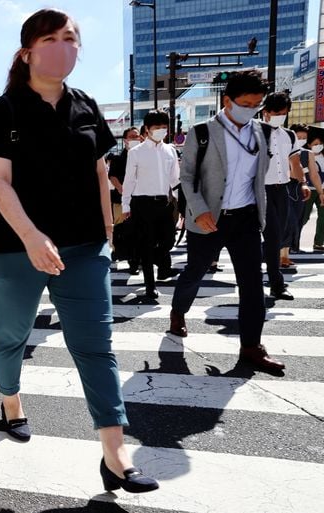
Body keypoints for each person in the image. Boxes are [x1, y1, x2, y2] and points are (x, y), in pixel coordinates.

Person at [0, 9, 158, 493]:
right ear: (28, 51)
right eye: (53, 38)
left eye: (71, 38)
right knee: (12, 335)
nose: (65, 46)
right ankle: (10, 401)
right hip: (17, 249)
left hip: (84, 247)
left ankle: (115, 453)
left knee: (95, 347)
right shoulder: (7, 109)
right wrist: (32, 236)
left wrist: (107, 232)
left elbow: (101, 174)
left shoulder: (87, 105)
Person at [169, 70, 285, 372]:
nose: (251, 109)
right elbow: (188, 176)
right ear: (227, 100)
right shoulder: (202, 132)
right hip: (209, 219)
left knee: (251, 284)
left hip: (245, 217)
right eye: (245, 103)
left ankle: (251, 347)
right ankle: (178, 311)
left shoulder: (263, 132)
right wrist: (199, 209)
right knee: (195, 272)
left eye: (256, 104)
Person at [121, 110, 181, 299]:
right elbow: (129, 180)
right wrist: (126, 206)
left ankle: (152, 257)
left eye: (164, 128)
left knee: (169, 240)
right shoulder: (136, 152)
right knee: (146, 243)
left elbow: (175, 178)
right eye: (157, 128)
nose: (161, 131)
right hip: (142, 203)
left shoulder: (170, 150)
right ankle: (150, 285)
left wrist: (182, 203)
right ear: (147, 129)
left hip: (164, 203)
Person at [260, 93, 306, 300]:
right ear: (266, 112)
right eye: (276, 113)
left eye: (284, 114)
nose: (280, 117)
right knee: (271, 236)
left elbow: (294, 163)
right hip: (260, 190)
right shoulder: (255, 132)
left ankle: (273, 279)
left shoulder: (289, 135)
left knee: (278, 235)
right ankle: (276, 283)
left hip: (282, 189)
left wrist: (302, 183)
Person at [108, 126, 143, 275]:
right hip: (120, 200)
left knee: (137, 230)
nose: (135, 139)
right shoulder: (118, 158)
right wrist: (123, 189)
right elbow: (112, 176)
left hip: (140, 200)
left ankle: (133, 261)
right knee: (121, 228)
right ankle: (119, 252)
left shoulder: (144, 156)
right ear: (125, 140)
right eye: (132, 136)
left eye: (137, 136)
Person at [300, 128, 324, 251]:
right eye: (315, 144)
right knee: (304, 216)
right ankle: (292, 241)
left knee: (323, 217)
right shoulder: (304, 155)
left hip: (322, 190)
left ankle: (319, 243)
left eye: (320, 144)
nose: (318, 146)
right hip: (308, 189)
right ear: (309, 144)